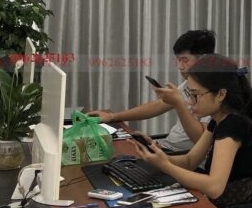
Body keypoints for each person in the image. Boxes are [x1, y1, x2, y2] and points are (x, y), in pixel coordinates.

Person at [131, 55, 252, 208]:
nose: (190, 102)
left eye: (196, 95)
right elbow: (190, 161)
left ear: (221, 94)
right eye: (189, 94)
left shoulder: (234, 124)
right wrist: (160, 157)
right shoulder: (219, 118)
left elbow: (214, 187)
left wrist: (166, 166)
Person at [87, 30, 216, 151]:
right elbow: (157, 106)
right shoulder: (190, 82)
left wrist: (179, 104)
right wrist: (112, 116)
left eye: (185, 60)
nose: (179, 66)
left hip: (179, 156)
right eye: (178, 60)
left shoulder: (212, 91)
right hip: (165, 149)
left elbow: (201, 141)